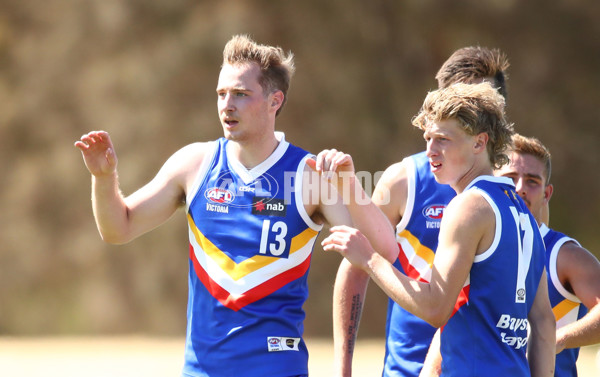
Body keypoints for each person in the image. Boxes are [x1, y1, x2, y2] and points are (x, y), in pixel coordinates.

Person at [74, 35, 389, 377]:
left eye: (240, 94)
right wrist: (104, 178)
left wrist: (350, 183)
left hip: (278, 367)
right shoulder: (195, 164)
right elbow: (118, 228)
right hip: (202, 370)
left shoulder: (307, 175)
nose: (227, 105)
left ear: (274, 101)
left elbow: (382, 250)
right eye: (221, 94)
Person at [322, 82, 556, 376]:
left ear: (479, 142)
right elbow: (544, 324)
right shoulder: (524, 213)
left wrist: (369, 259)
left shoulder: (469, 206)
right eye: (428, 138)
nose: (430, 150)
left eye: (443, 139)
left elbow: (435, 309)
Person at [332, 46, 511, 377]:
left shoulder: (514, 192)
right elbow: (356, 265)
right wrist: (343, 368)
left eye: (481, 100)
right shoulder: (405, 179)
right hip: (407, 369)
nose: (472, 109)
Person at [496, 134, 600, 377]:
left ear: (546, 193)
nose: (520, 188)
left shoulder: (564, 255)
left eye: (532, 181)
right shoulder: (477, 250)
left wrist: (557, 338)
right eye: (510, 178)